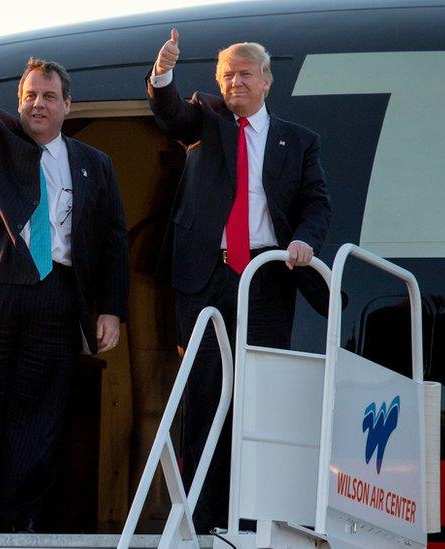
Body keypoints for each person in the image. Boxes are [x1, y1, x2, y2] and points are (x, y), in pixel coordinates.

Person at [0, 10, 128, 532]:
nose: (36, 103)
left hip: (57, 297)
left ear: (67, 105)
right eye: (29, 94)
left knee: (37, 423)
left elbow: (111, 240)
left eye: (47, 96)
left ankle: (22, 526)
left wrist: (110, 309)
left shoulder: (94, 163)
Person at [146, 29, 331, 531]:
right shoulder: (207, 121)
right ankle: (202, 521)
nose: (236, 82)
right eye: (227, 74)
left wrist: (306, 240)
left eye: (246, 73)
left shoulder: (299, 141)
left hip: (266, 278)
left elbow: (316, 203)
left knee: (259, 400)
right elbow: (171, 114)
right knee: (203, 395)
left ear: (267, 81)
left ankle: (250, 519)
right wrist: (162, 74)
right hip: (206, 278)